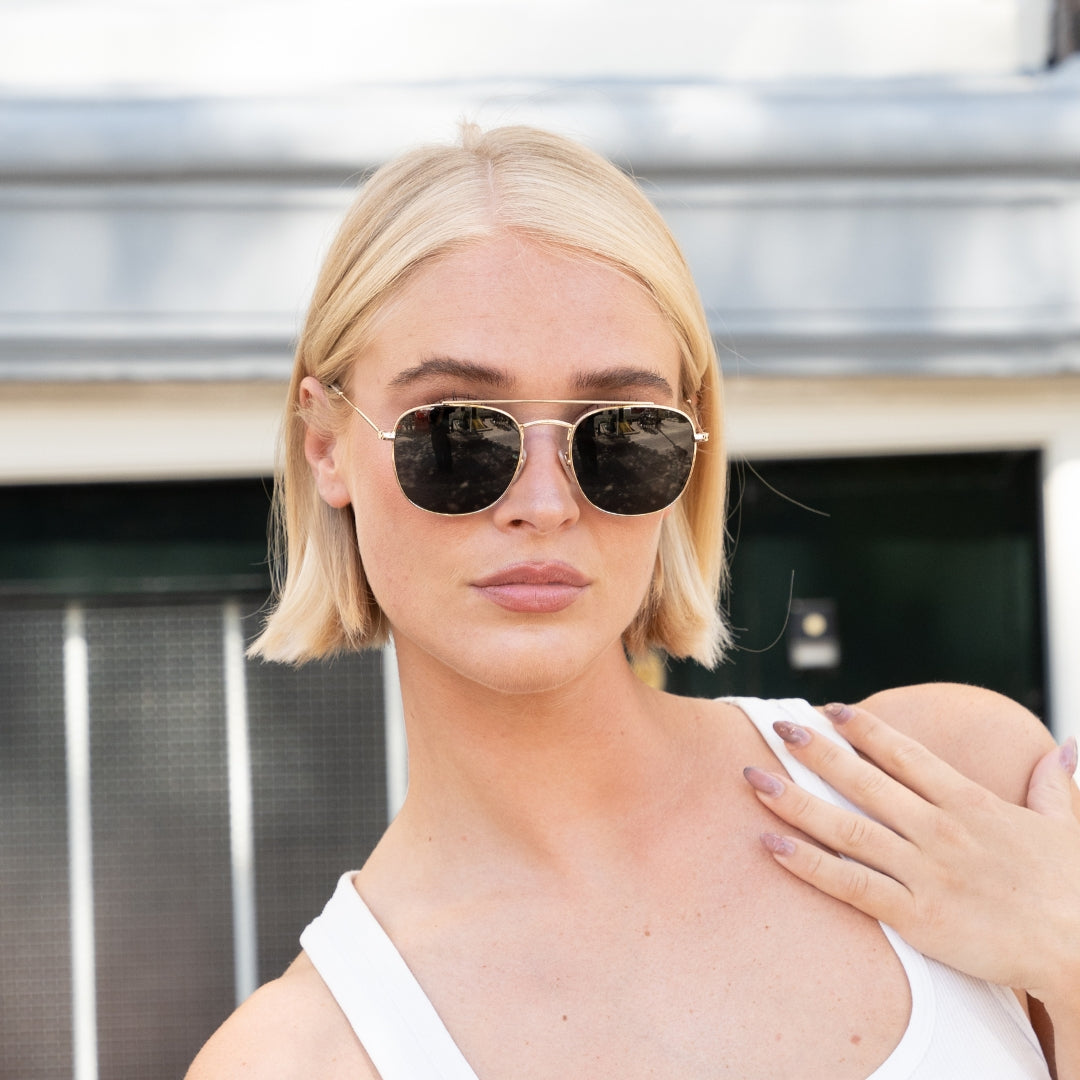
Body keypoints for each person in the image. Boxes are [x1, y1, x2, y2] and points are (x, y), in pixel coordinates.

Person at [186, 124, 1080, 1080]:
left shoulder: (947, 784)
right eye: (456, 434)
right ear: (326, 446)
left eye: (621, 433)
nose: (543, 503)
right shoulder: (296, 1058)